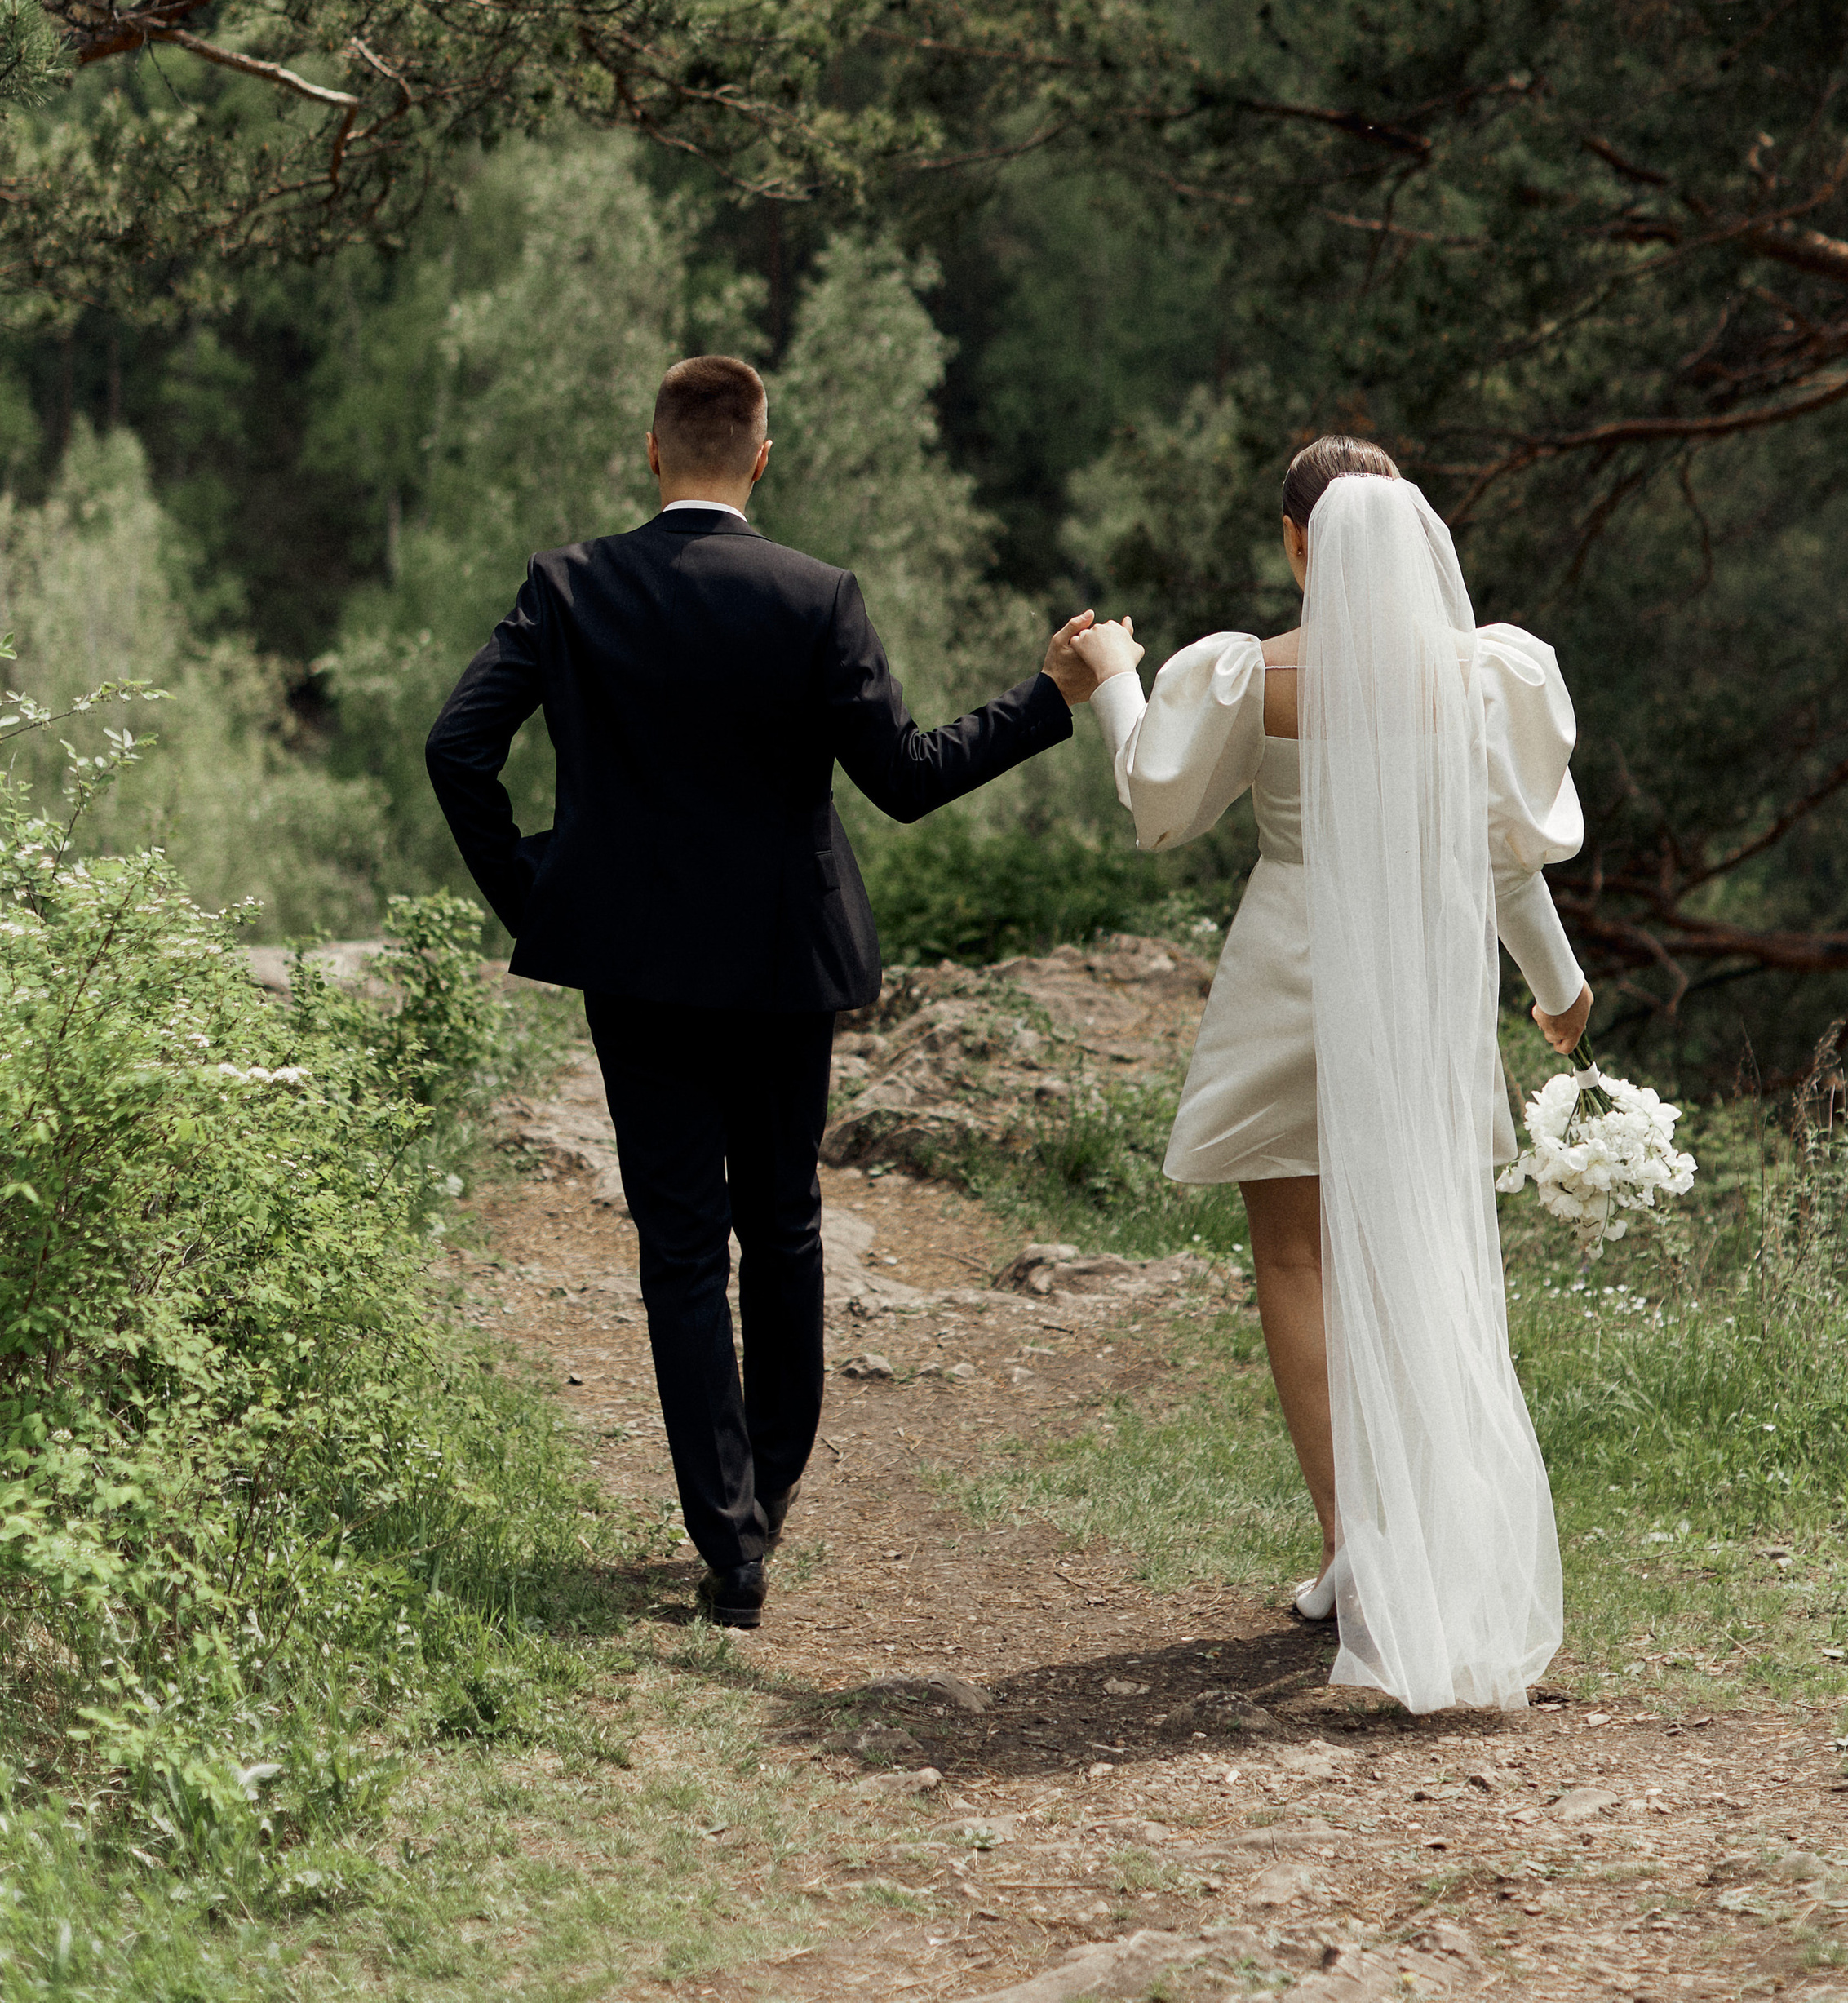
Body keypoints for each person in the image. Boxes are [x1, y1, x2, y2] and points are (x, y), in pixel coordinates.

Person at [424, 352, 1100, 1631]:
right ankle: (768, 1498)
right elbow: (901, 778)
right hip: (787, 968)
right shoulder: (816, 596)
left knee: (679, 1247)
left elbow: (456, 747)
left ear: (651, 449)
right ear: (761, 458)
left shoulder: (569, 587)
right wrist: (1047, 700)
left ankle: (731, 1547)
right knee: (781, 1226)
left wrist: (544, 896)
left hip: (633, 969)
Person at [1067, 434, 1593, 1713]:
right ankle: (1424, 1549)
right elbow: (1502, 853)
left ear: (1298, 541)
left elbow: (1157, 805)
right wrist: (1558, 984)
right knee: (1417, 1249)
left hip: (1296, 973)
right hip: (1417, 979)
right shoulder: (1477, 678)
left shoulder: (1252, 677)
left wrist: (1114, 679)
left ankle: (1352, 1542)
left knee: (1296, 1258)